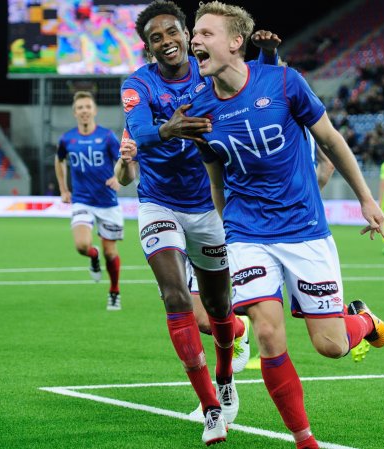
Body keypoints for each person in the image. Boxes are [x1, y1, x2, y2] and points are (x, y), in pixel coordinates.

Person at [185, 3, 384, 448]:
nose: (194, 41)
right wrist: (228, 228)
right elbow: (215, 179)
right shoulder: (199, 110)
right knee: (267, 331)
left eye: (205, 33)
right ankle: (304, 439)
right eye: (193, 34)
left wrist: (366, 199)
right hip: (247, 234)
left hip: (304, 230)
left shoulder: (283, 82)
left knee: (331, 346)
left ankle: (364, 322)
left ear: (236, 42)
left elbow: (331, 139)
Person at [114, 0, 281, 444]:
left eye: (173, 32)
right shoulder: (138, 84)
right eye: (156, 37)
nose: (166, 41)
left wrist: (267, 57)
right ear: (147, 46)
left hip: (206, 203)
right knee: (175, 296)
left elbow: (252, 90)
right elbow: (137, 128)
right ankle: (210, 407)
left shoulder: (207, 71)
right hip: (158, 202)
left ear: (186, 34)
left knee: (221, 307)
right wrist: (166, 130)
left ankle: (226, 381)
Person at [55, 91, 124, 311]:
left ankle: (114, 291)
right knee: (82, 245)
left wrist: (118, 178)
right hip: (82, 201)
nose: (84, 111)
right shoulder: (67, 139)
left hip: (107, 203)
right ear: (75, 113)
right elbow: (59, 161)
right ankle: (92, 256)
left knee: (110, 253)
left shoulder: (107, 137)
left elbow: (124, 159)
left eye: (87, 107)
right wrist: (64, 189)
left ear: (94, 110)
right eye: (80, 108)